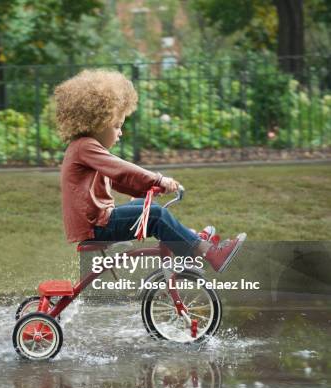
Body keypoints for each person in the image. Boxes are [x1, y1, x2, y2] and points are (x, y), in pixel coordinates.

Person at [55, 69, 246, 273]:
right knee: (155, 214)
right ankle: (206, 252)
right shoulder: (85, 146)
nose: (121, 132)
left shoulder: (83, 148)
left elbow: (118, 181)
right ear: (97, 123)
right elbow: (121, 170)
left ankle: (187, 240)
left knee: (145, 206)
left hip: (97, 222)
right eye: (117, 125)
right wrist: (158, 180)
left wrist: (150, 189)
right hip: (95, 227)